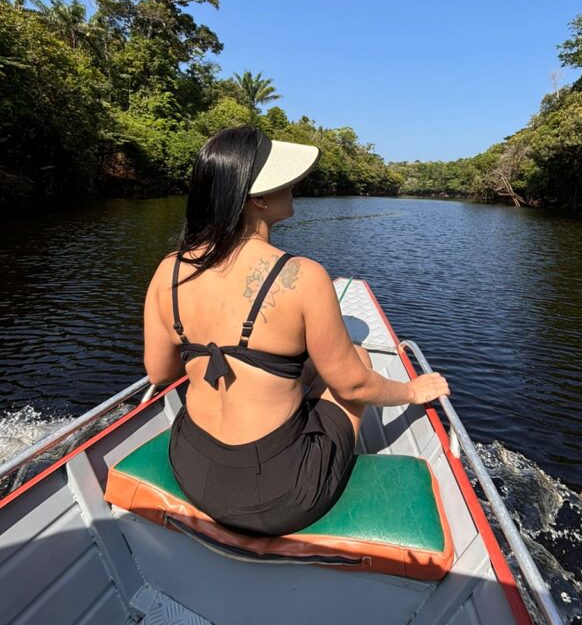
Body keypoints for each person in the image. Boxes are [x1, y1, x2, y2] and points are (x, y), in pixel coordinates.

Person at [143, 126, 450, 536]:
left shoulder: (170, 269)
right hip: (279, 496)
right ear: (257, 199)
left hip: (193, 468)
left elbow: (161, 374)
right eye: (282, 179)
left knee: (289, 370)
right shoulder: (302, 276)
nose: (294, 186)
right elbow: (355, 388)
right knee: (355, 360)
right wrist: (414, 391)